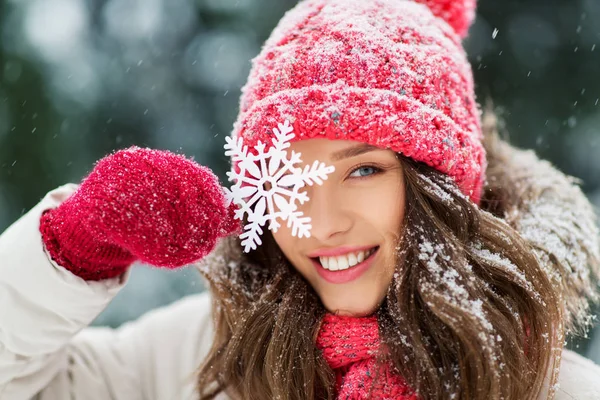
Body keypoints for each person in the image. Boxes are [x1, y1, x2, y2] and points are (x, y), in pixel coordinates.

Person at [1, 0, 600, 399]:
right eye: (289, 176)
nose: (322, 223)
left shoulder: (547, 386)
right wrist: (72, 247)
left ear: (441, 184)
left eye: (363, 170)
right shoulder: (210, 356)